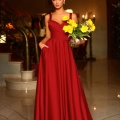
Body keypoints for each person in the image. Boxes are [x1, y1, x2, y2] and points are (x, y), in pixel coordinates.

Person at [34, 0, 93, 120]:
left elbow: (77, 39)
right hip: (50, 52)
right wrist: (40, 43)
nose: (57, 2)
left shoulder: (72, 16)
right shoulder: (48, 17)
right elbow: (48, 36)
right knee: (52, 83)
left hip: (65, 52)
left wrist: (80, 39)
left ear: (64, 0)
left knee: (69, 82)